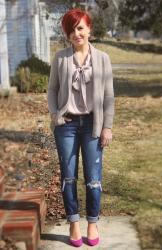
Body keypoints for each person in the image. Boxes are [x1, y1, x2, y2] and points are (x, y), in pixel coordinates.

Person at [47, 8, 114, 247]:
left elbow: (108, 97)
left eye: (81, 28)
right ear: (67, 34)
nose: (77, 33)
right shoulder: (61, 58)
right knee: (68, 177)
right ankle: (74, 223)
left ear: (89, 30)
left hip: (92, 125)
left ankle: (92, 223)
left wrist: (107, 127)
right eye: (72, 29)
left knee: (94, 179)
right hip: (66, 125)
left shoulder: (103, 59)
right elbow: (52, 89)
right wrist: (55, 115)